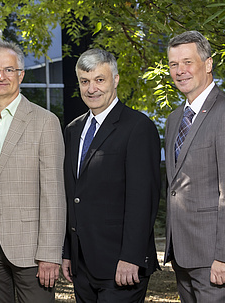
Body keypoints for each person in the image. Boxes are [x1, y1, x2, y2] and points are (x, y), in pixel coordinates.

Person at [0, 40, 66, 303]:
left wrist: (50, 254)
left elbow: (54, 193)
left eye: (9, 70)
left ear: (21, 74)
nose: (1, 76)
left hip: (32, 249)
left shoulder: (45, 122)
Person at [164, 30, 225, 303]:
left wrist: (224, 257)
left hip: (217, 259)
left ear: (208, 64)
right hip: (184, 255)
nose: (180, 70)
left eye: (188, 62)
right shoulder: (174, 119)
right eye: (174, 64)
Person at [61, 48, 161, 302]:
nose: (91, 88)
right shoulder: (73, 130)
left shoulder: (138, 127)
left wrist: (132, 257)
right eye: (85, 81)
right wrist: (68, 252)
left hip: (121, 265)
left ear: (115, 80)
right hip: (82, 264)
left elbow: (143, 199)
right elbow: (71, 195)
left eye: (99, 80)